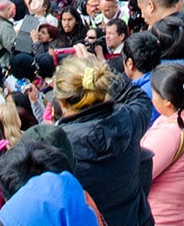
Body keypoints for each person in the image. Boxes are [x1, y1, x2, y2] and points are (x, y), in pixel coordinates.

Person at [53, 55, 152, 226]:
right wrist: (104, 68)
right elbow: (139, 98)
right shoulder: (128, 119)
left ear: (62, 102)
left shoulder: (55, 147)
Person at [140, 65, 184, 226]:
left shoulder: (171, 134)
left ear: (168, 103)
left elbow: (136, 175)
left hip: (162, 219)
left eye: (154, 94)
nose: (152, 99)